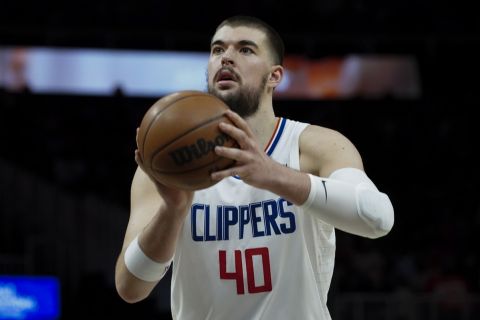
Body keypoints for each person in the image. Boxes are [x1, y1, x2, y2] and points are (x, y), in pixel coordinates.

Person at [115, 15, 394, 320]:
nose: (227, 58)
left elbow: (378, 218)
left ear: (275, 76)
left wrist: (273, 174)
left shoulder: (314, 146)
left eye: (245, 50)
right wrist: (173, 210)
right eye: (217, 49)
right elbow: (131, 287)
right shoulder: (165, 164)